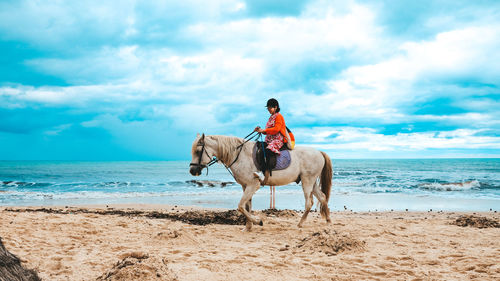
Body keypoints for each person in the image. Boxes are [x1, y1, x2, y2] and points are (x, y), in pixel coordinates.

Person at [253, 98, 290, 184]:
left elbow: (276, 129)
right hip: (270, 139)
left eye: (270, 107)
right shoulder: (271, 117)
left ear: (275, 107)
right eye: (268, 108)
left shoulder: (279, 116)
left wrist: (264, 131)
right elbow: (268, 130)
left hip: (278, 140)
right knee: (258, 147)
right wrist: (260, 130)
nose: (269, 109)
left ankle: (264, 173)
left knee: (266, 151)